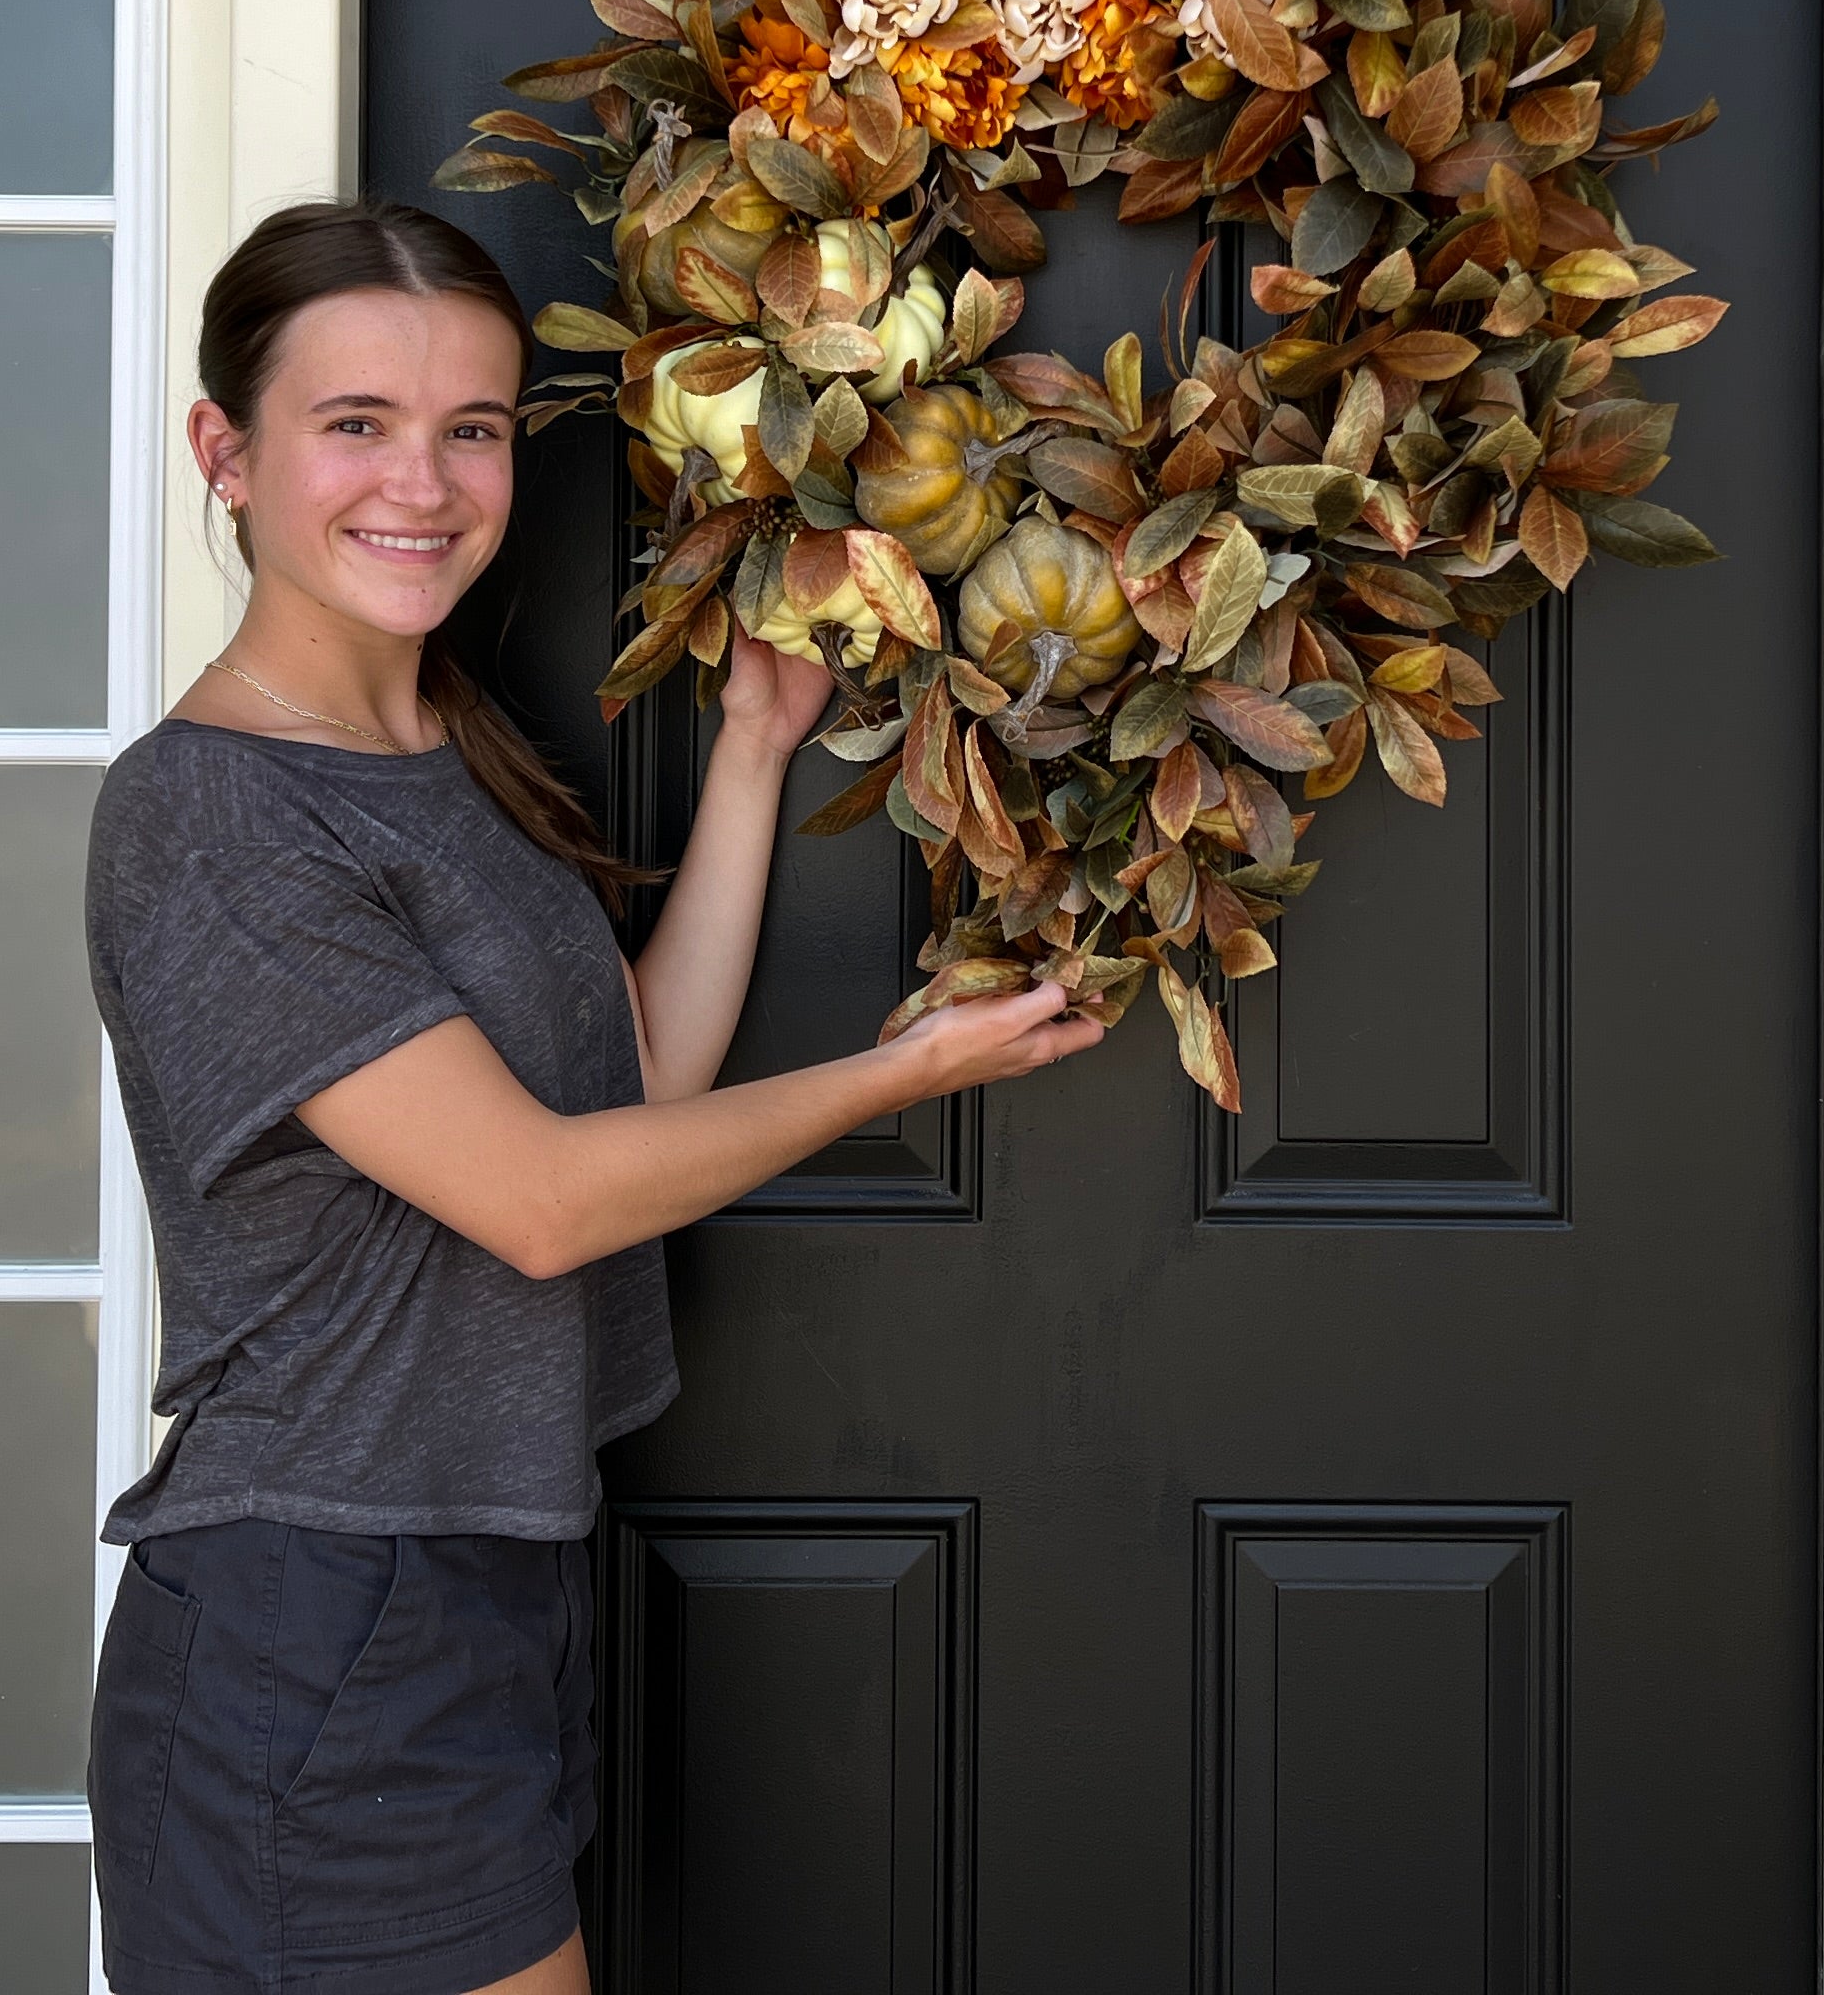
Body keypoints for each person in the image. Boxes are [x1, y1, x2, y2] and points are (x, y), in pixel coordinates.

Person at [83, 198, 1099, 1995]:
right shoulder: (210, 819)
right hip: (324, 1615)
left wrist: (754, 757)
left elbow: (627, 1079)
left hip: (485, 1571)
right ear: (223, 455)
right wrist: (902, 1076)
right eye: (355, 426)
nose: (428, 482)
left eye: (472, 429)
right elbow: (544, 1201)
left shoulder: (433, 747)